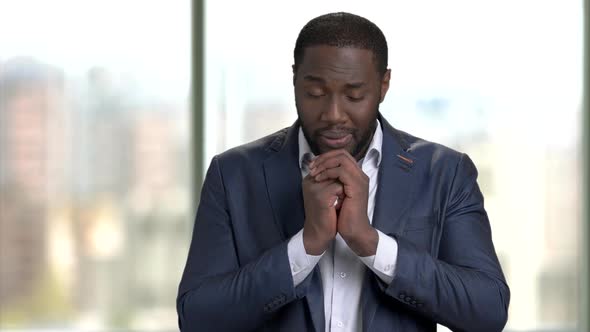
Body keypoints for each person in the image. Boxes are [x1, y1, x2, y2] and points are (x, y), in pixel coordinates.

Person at [177, 12, 510, 332]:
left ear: (384, 84)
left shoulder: (445, 174)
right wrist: (305, 246)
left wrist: (371, 243)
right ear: (294, 80)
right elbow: (197, 318)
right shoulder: (233, 175)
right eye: (315, 93)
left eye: (354, 95)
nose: (334, 114)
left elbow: (487, 311)